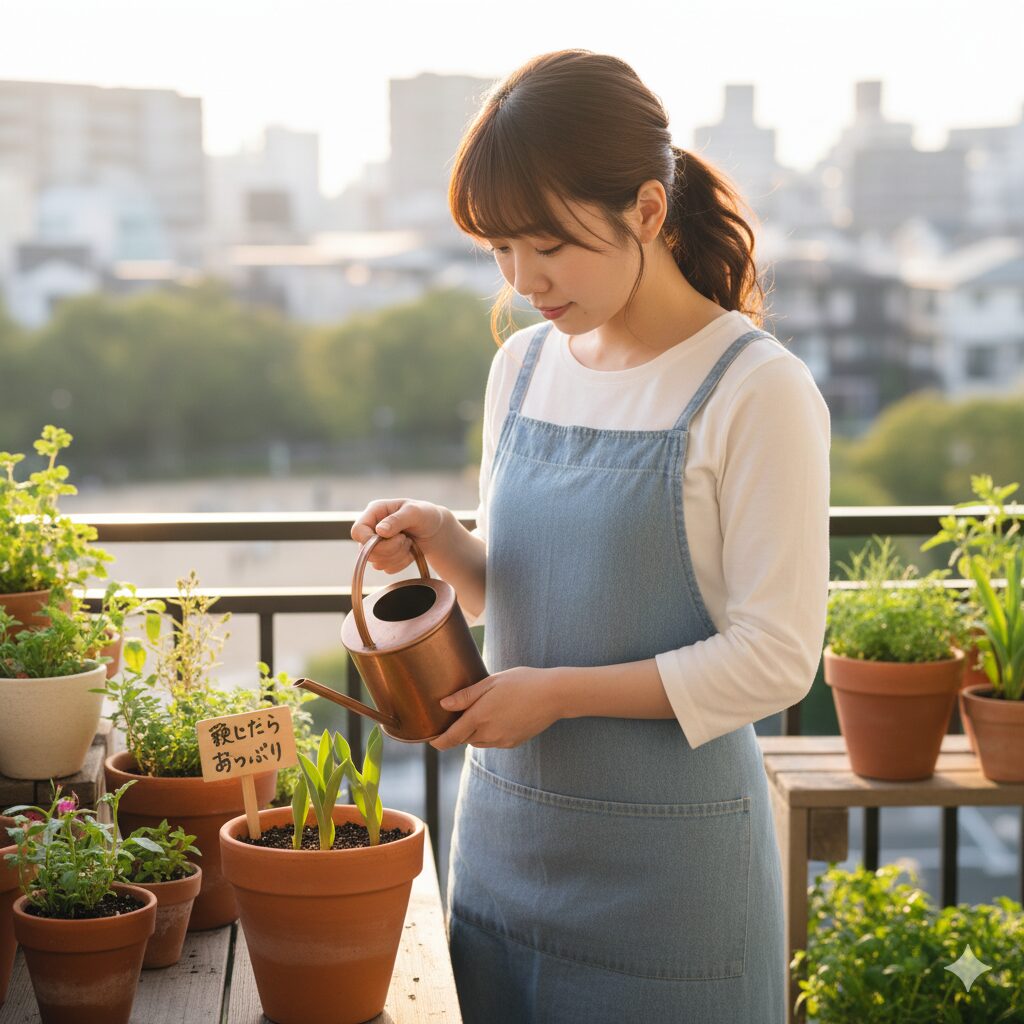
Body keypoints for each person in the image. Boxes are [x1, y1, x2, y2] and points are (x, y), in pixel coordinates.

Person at [351, 49, 830, 1024]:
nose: (523, 279)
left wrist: (559, 695)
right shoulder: (523, 366)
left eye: (550, 245)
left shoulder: (756, 388)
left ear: (646, 211)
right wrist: (446, 541)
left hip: (672, 879)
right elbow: (528, 591)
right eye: (498, 248)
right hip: (506, 848)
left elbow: (777, 661)